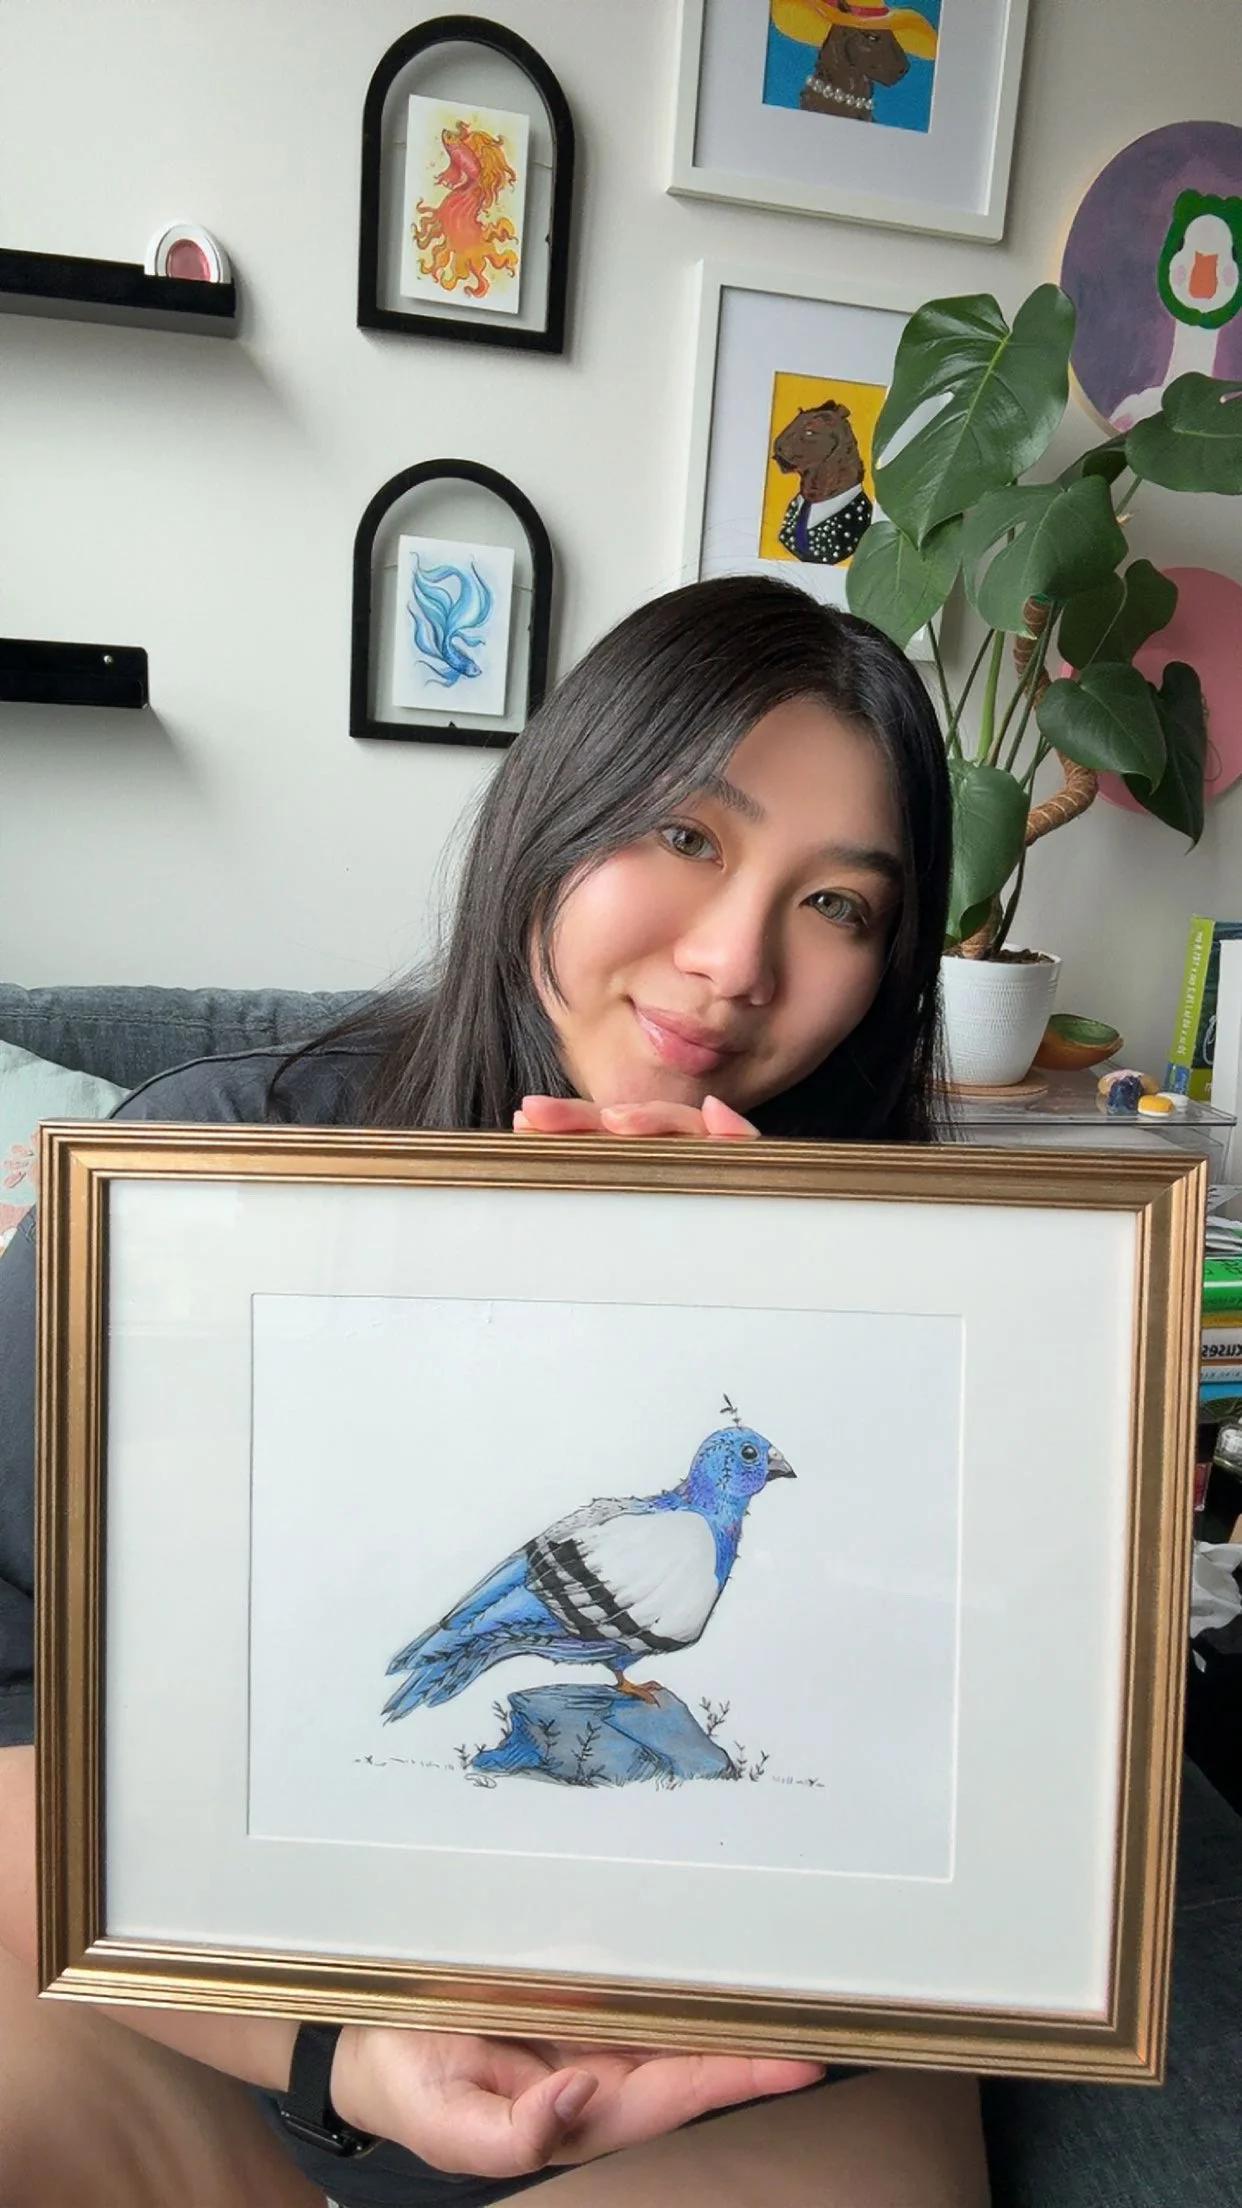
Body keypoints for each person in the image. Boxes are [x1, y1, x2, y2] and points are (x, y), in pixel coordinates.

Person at [0, 577, 989, 2207]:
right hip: (218, 2030)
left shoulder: (932, 1298)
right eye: (685, 834)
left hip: (735, 2064)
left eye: (838, 907)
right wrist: (332, 2051)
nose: (732, 960)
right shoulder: (209, 1184)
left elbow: (938, 1766)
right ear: (550, 816)